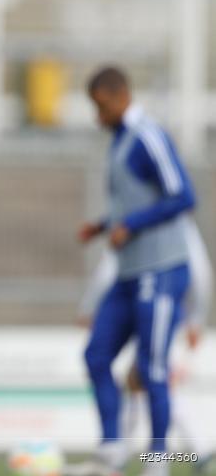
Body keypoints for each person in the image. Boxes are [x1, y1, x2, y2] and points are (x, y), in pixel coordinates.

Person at [75, 66, 196, 476]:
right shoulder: (120, 140)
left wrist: (130, 225)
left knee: (152, 368)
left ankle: (158, 461)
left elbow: (183, 196)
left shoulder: (148, 136)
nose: (98, 116)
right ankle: (111, 449)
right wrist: (104, 225)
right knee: (96, 354)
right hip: (129, 273)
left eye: (102, 106)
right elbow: (136, 201)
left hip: (161, 270)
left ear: (121, 95)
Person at [75, 217, 213, 474]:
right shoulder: (132, 217)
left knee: (153, 379)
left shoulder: (172, 222)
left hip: (162, 310)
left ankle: (191, 452)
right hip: (148, 308)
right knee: (144, 382)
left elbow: (199, 270)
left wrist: (196, 318)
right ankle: (126, 452)